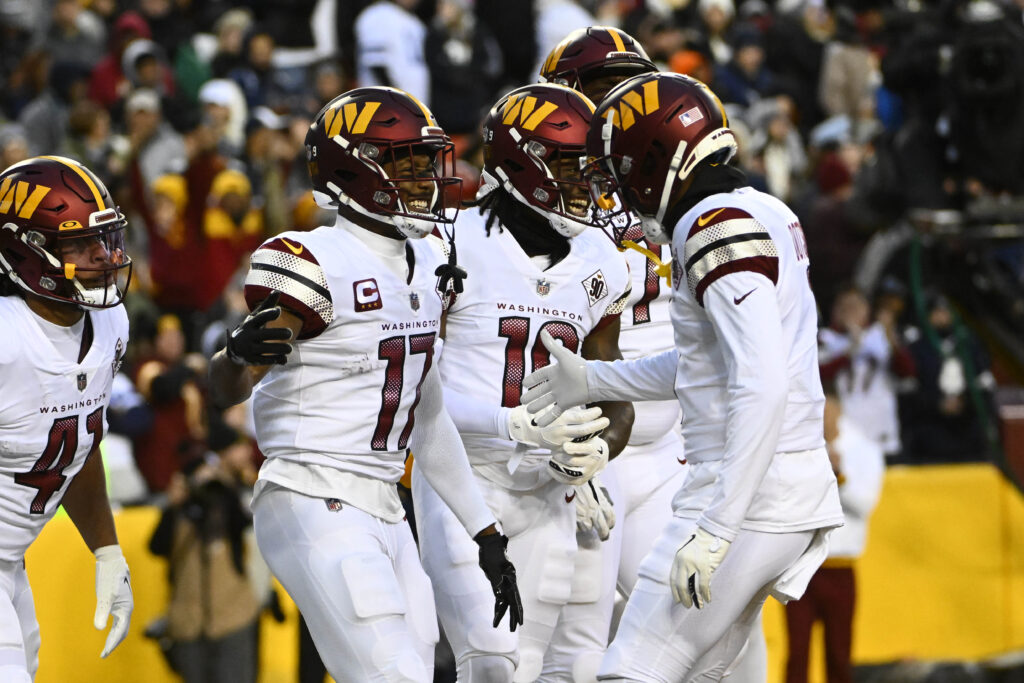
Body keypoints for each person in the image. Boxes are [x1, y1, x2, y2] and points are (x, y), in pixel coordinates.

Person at [521, 72, 844, 680]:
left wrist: (717, 527)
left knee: (630, 671)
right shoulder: (762, 207)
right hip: (782, 487)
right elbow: (708, 367)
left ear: (652, 161)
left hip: (748, 493)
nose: (615, 189)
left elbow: (761, 383)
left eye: (618, 169)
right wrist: (596, 381)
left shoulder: (711, 226)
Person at [207, 86, 523, 682]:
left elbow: (426, 417)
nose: (425, 178)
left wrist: (485, 530)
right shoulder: (310, 259)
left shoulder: (431, 261)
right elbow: (229, 387)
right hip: (312, 490)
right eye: (404, 163)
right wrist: (230, 357)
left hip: (384, 504)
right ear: (355, 169)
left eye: (424, 161)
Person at [410, 81, 634, 683]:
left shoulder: (601, 260)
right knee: (489, 660)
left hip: (548, 488)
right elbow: (410, 390)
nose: (587, 182)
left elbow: (613, 392)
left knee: (528, 669)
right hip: (465, 478)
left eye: (592, 168)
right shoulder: (447, 243)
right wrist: (510, 424)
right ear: (520, 161)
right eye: (569, 165)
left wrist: (594, 451)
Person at [0, 155, 135, 682]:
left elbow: (77, 444)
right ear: (24, 251)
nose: (103, 257)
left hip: (12, 560)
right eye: (79, 244)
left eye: (106, 239)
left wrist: (106, 549)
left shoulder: (110, 324)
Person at [785, 388, 884, 683]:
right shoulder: (797, 445)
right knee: (797, 654)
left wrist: (837, 474)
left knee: (839, 655)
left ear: (839, 409)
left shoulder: (863, 449)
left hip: (839, 566)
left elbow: (865, 504)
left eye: (825, 409)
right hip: (799, 566)